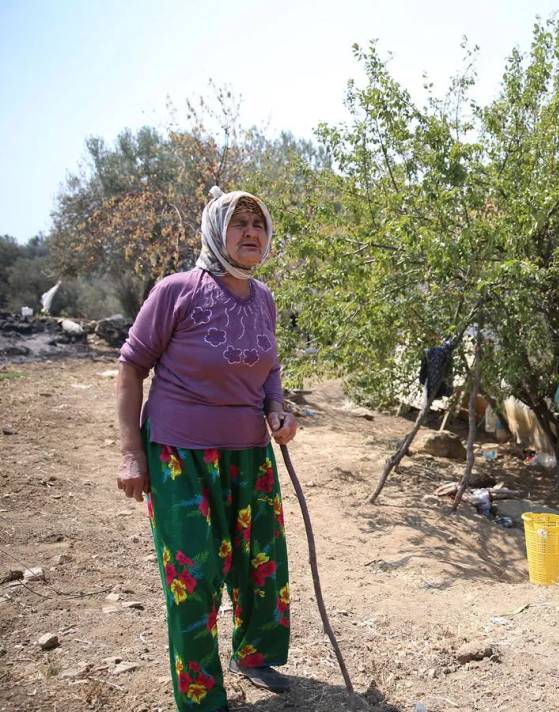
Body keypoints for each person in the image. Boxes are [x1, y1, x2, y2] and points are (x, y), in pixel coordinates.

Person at [116, 186, 297, 712]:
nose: (250, 233)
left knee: (259, 564)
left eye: (258, 225)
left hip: (248, 456)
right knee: (192, 574)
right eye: (238, 223)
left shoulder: (263, 299)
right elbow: (131, 367)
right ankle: (201, 697)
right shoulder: (177, 290)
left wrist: (278, 411)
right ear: (215, 231)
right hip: (180, 456)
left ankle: (255, 654)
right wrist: (131, 453)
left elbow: (270, 373)